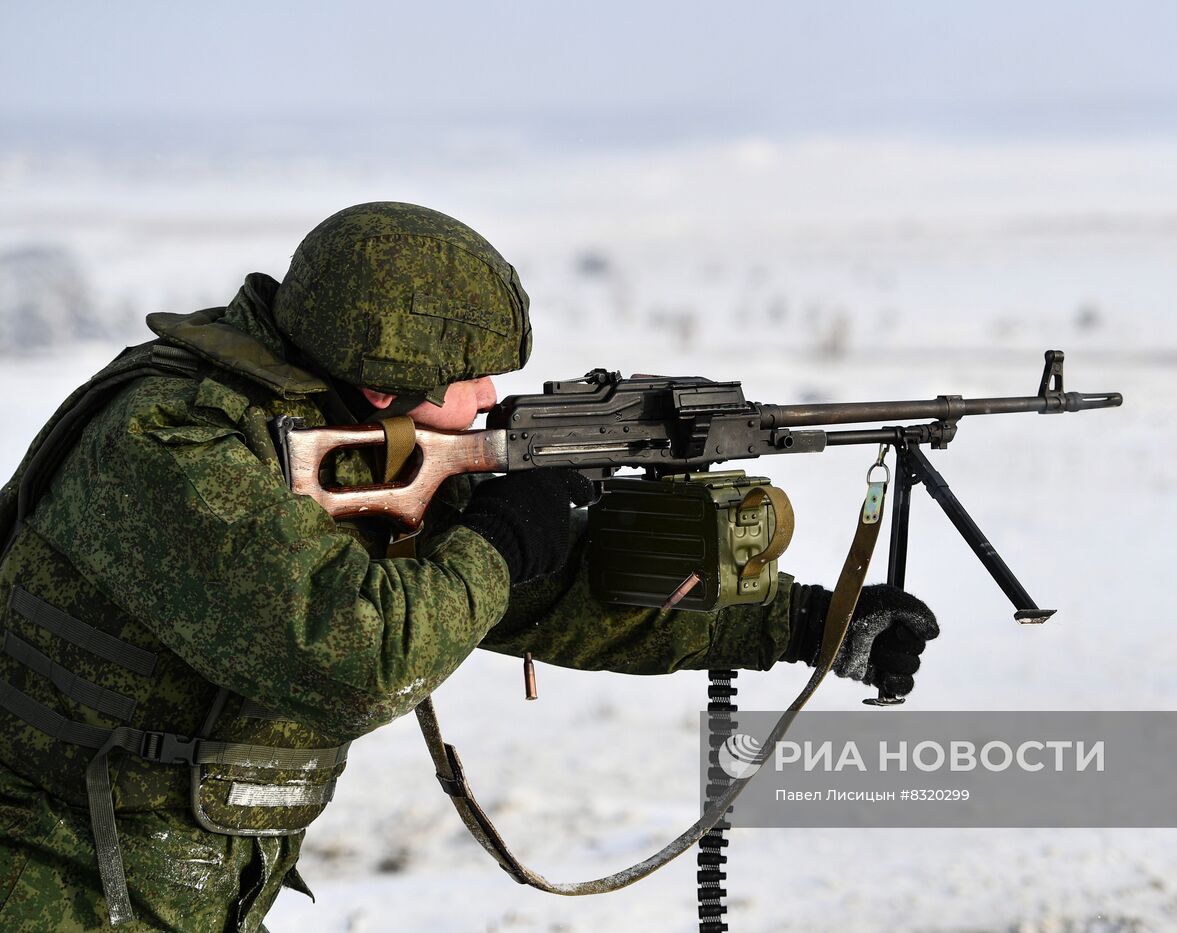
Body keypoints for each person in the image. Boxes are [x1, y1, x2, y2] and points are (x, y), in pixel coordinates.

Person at [0, 202, 938, 931]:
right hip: (52, 878)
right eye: (470, 379)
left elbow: (530, 600)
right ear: (381, 383)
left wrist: (809, 624)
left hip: (180, 886)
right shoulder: (171, 445)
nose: (491, 398)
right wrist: (497, 538)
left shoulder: (345, 433)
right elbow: (359, 655)